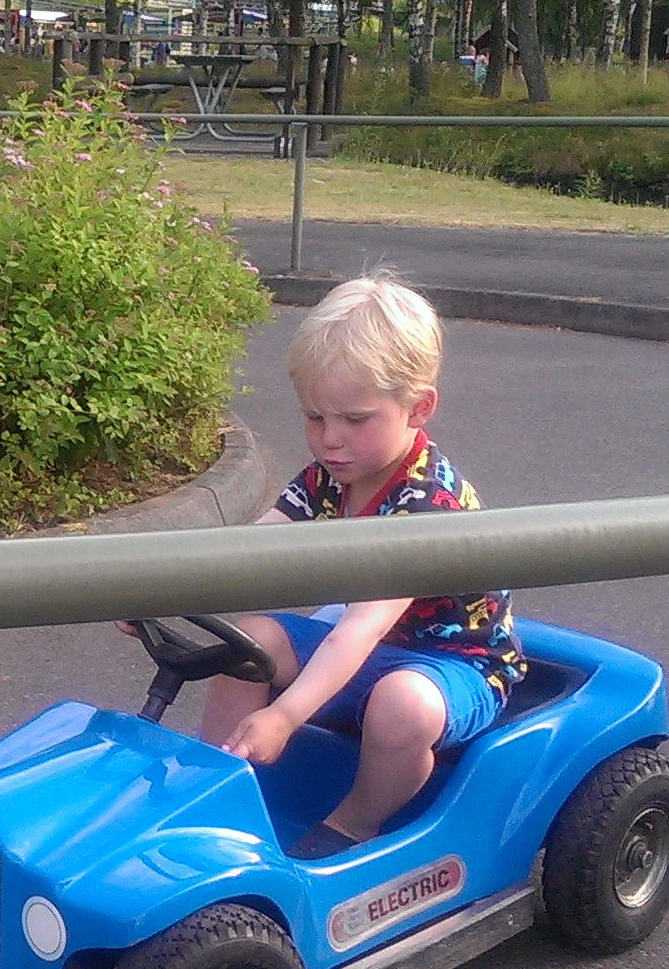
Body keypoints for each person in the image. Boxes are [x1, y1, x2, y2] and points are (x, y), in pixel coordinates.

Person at [195, 276, 526, 860]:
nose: (330, 441)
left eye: (354, 419)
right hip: (368, 647)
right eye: (314, 418)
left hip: (454, 664)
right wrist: (159, 595)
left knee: (402, 706)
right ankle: (213, 791)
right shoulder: (331, 476)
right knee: (248, 643)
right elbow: (246, 553)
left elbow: (358, 630)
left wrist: (284, 717)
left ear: (418, 408)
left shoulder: (425, 505)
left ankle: (354, 826)